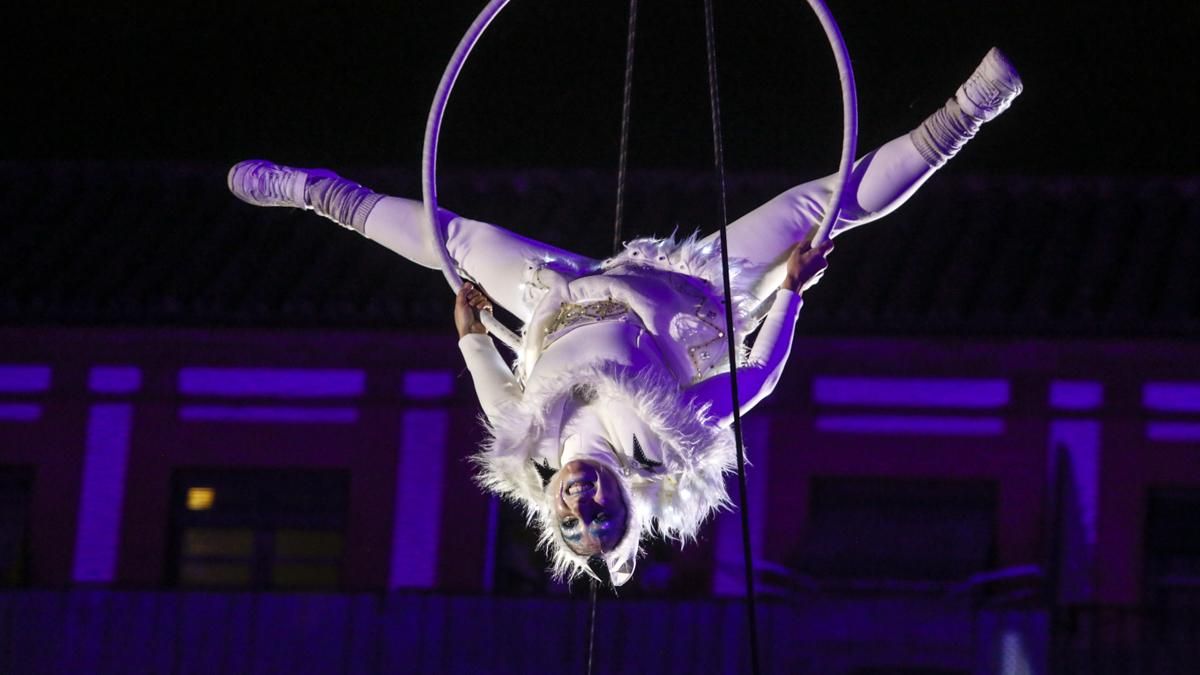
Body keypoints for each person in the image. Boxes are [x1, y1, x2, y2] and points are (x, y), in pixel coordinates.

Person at [228, 48, 1022, 586]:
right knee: (816, 210)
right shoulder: (656, 443)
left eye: (571, 521)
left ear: (552, 513)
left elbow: (487, 377)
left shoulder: (528, 448)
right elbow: (758, 377)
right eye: (601, 517)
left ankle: (315, 192)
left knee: (454, 239)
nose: (582, 504)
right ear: (625, 505)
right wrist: (790, 291)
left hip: (554, 297)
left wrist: (471, 331)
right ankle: (965, 115)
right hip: (682, 294)